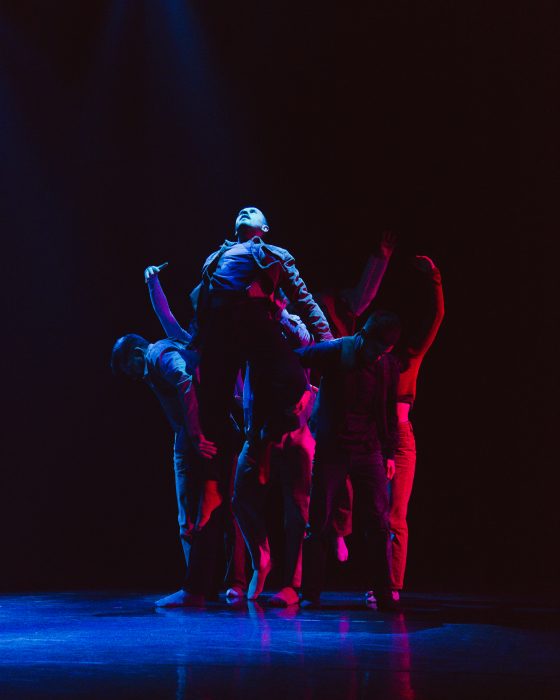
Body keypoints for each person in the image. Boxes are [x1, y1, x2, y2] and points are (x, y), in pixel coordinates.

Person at [192, 206, 333, 528]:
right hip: (220, 330)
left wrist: (330, 343)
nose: (246, 211)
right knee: (212, 405)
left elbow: (304, 299)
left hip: (253, 321)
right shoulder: (216, 257)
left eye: (253, 212)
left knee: (291, 380)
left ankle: (268, 438)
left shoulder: (274, 254)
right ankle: (238, 458)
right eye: (242, 211)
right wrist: (196, 342)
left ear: (264, 228)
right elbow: (202, 306)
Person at [143, 263, 248, 600]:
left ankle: (233, 581)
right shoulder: (192, 344)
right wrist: (153, 283)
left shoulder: (224, 344)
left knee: (228, 509)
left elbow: (238, 391)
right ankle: (206, 584)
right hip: (212, 429)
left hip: (226, 429)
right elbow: (167, 318)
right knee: (208, 512)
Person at [111, 333, 231, 607]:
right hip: (187, 436)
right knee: (194, 516)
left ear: (137, 353)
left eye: (128, 367)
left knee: (197, 515)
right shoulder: (153, 364)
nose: (131, 376)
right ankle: (202, 585)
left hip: (195, 436)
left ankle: (198, 588)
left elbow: (184, 379)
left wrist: (195, 433)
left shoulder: (158, 355)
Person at [296, 311, 402, 610]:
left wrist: (390, 453)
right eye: (376, 349)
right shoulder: (336, 350)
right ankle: (310, 593)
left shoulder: (387, 365)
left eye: (384, 352)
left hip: (368, 450)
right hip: (333, 449)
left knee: (378, 522)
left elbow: (389, 411)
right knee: (319, 521)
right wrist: (303, 396)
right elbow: (296, 359)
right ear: (364, 337)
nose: (377, 356)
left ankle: (384, 593)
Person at [314, 231, 397, 562]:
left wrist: (382, 257)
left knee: (345, 468)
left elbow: (365, 294)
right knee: (325, 472)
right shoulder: (304, 308)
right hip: (317, 393)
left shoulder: (340, 306)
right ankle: (328, 530)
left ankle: (338, 529)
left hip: (346, 391)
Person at [233, 302, 316, 606]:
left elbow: (307, 341)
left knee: (296, 507)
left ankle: (293, 584)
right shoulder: (250, 334)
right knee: (241, 497)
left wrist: (279, 312)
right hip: (259, 430)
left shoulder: (285, 325)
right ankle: (262, 558)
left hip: (293, 427)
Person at [385, 255, 445, 600]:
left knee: (396, 516)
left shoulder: (411, 357)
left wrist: (434, 277)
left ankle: (392, 585)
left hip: (402, 439)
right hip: (375, 439)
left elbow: (436, 317)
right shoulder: (373, 361)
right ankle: (376, 581)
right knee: (376, 514)